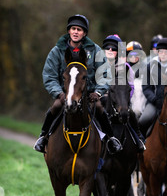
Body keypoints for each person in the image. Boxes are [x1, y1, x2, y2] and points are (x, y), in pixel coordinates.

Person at [34, 15, 122, 154]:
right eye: (73, 29)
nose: (75, 32)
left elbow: (105, 74)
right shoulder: (57, 51)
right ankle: (43, 137)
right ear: (69, 31)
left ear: (84, 33)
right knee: (56, 106)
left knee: (99, 108)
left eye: (79, 30)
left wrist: (98, 92)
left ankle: (111, 139)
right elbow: (49, 76)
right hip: (65, 95)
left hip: (89, 96)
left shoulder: (95, 50)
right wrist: (59, 93)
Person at [102, 35, 146, 151]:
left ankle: (138, 138)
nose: (110, 51)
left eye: (114, 49)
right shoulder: (99, 65)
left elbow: (130, 86)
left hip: (120, 100)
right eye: (108, 48)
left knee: (130, 113)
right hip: (102, 99)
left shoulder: (125, 67)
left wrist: (124, 100)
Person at [139, 37, 167, 136]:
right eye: (161, 52)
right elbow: (146, 87)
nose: (163, 54)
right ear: (157, 52)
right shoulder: (150, 66)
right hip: (155, 103)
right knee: (143, 120)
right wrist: (154, 99)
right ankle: (142, 142)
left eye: (166, 52)